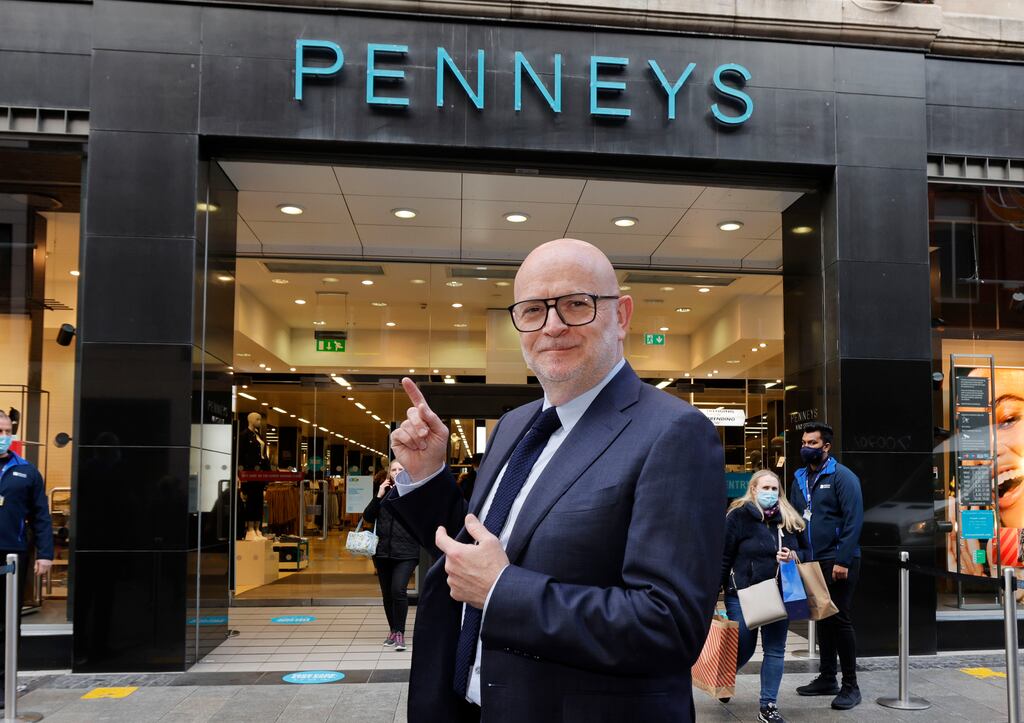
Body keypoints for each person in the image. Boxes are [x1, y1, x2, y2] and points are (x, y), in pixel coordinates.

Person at [385, 238, 725, 723]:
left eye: (576, 305)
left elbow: (667, 626)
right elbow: (476, 546)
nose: (553, 326)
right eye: (533, 310)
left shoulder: (674, 432)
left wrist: (503, 590)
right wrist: (427, 475)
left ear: (622, 315)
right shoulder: (514, 425)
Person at [787, 421, 864, 710]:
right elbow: (794, 518)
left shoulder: (843, 477)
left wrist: (843, 560)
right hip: (812, 560)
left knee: (840, 619)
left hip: (838, 561)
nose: (806, 447)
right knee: (822, 617)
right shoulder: (799, 478)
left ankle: (850, 686)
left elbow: (853, 520)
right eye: (804, 442)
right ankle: (827, 676)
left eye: (813, 443)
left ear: (826, 446)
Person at [721, 470, 807, 723]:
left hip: (780, 592)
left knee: (775, 650)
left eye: (774, 489)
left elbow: (806, 549)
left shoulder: (788, 518)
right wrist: (716, 589)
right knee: (744, 646)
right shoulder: (738, 516)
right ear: (753, 489)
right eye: (765, 488)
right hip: (743, 592)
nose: (770, 493)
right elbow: (724, 555)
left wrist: (792, 554)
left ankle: (768, 705)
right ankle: (725, 675)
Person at [0, 411, 52, 709]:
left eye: (8, 430)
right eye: (0, 429)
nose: (4, 435)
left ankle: (5, 683)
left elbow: (41, 516)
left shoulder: (26, 471)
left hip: (12, 556)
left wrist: (45, 554)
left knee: (7, 621)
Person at [363, 460, 419, 652]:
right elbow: (368, 517)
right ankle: (393, 630)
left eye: (400, 469)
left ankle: (400, 632)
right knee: (387, 594)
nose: (396, 472)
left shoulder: (414, 491)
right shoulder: (382, 493)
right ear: (389, 474)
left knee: (398, 590)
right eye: (393, 470)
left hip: (407, 551)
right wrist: (379, 496)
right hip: (382, 552)